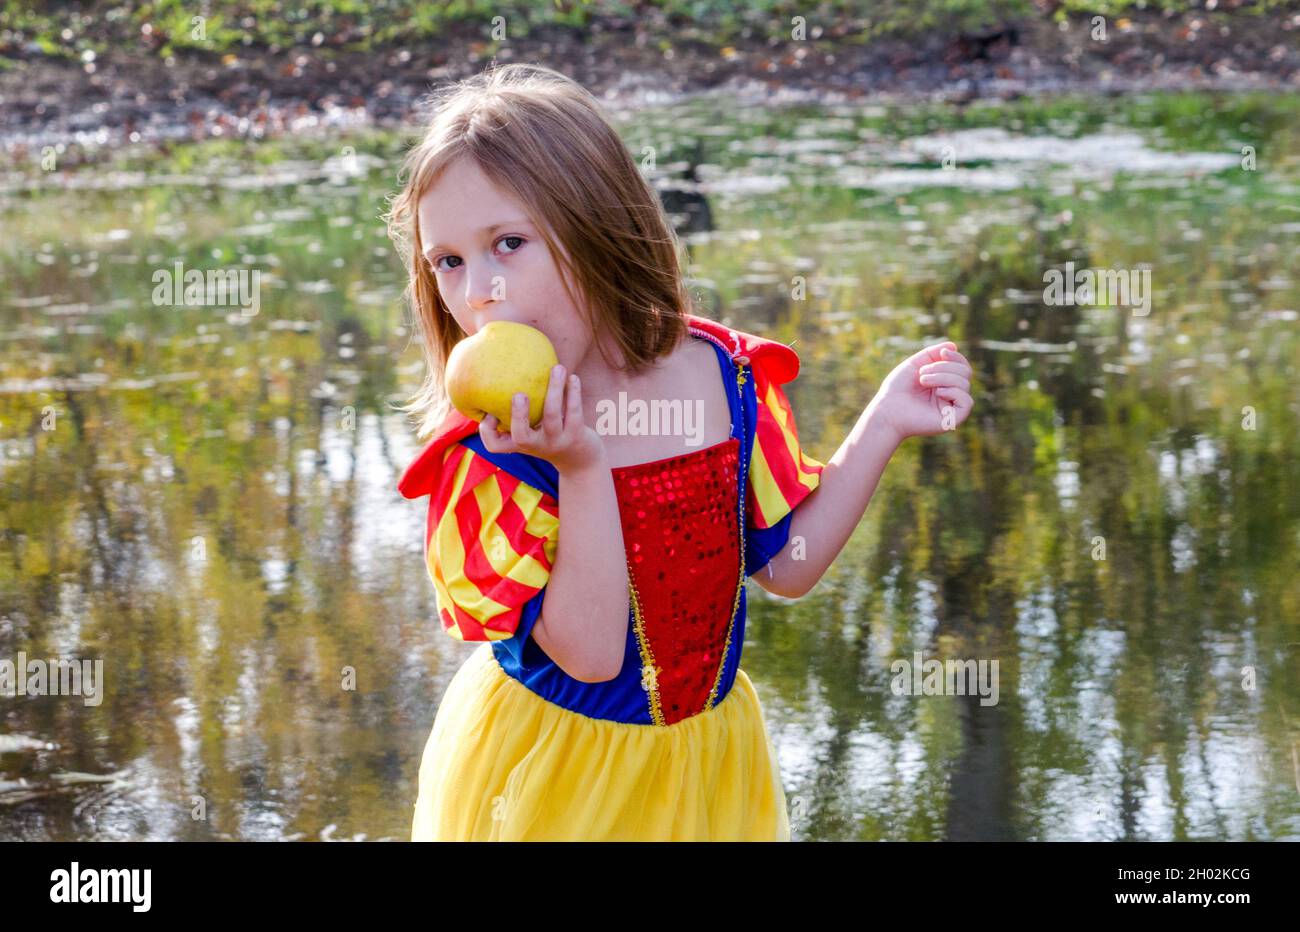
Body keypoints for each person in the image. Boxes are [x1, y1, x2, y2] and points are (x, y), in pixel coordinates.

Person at [384, 63, 974, 841]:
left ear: (595, 227)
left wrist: (884, 424)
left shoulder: (722, 378)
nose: (479, 291)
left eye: (508, 243)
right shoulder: (493, 452)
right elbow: (592, 655)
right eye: (448, 262)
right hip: (553, 779)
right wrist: (580, 466)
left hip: (708, 766)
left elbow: (787, 566)